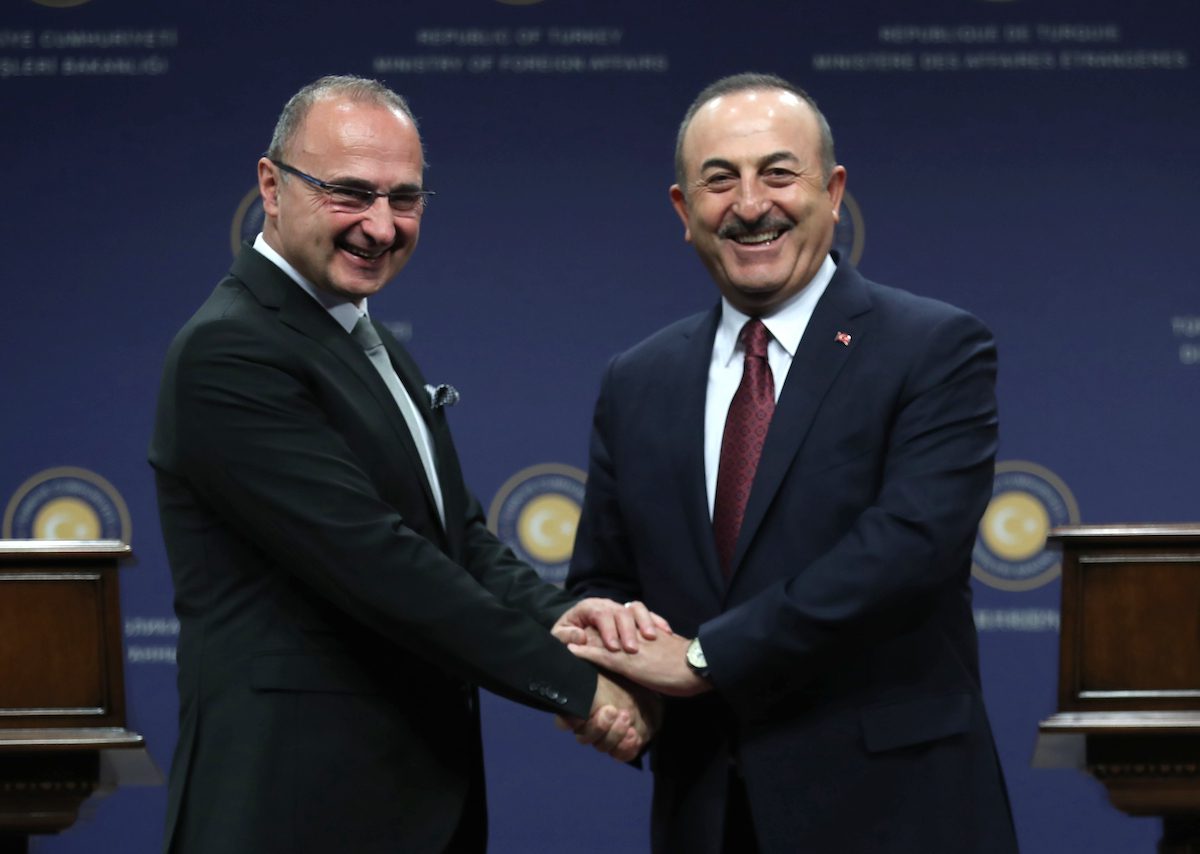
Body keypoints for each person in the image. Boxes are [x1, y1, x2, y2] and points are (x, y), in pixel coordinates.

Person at [149, 75, 660, 854]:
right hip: (291, 808)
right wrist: (580, 687)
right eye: (349, 193)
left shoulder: (371, 341)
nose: (380, 227)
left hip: (407, 801)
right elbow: (381, 565)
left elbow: (457, 539)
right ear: (271, 187)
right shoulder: (233, 351)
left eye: (405, 198)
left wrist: (560, 622)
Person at [563, 72, 1019, 853]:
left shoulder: (934, 348)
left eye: (779, 173)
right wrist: (607, 668)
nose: (749, 205)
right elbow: (604, 577)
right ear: (683, 210)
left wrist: (705, 658)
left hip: (897, 812)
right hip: (707, 812)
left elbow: (907, 551)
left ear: (833, 192)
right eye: (719, 181)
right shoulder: (637, 378)